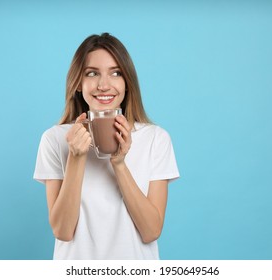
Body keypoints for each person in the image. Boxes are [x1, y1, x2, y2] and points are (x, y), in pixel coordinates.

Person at [33, 33, 179, 260]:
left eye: (116, 73)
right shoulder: (54, 139)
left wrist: (119, 164)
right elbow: (62, 231)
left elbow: (151, 231)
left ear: (127, 82)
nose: (104, 85)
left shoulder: (156, 139)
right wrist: (76, 157)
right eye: (92, 73)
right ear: (78, 84)